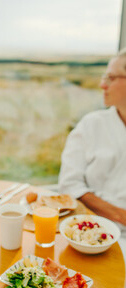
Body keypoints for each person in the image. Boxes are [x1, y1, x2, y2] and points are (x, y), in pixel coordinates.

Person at [58, 48, 126, 257]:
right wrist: (120, 215)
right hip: (92, 232)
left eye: (111, 78)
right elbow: (70, 184)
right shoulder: (91, 125)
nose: (102, 84)